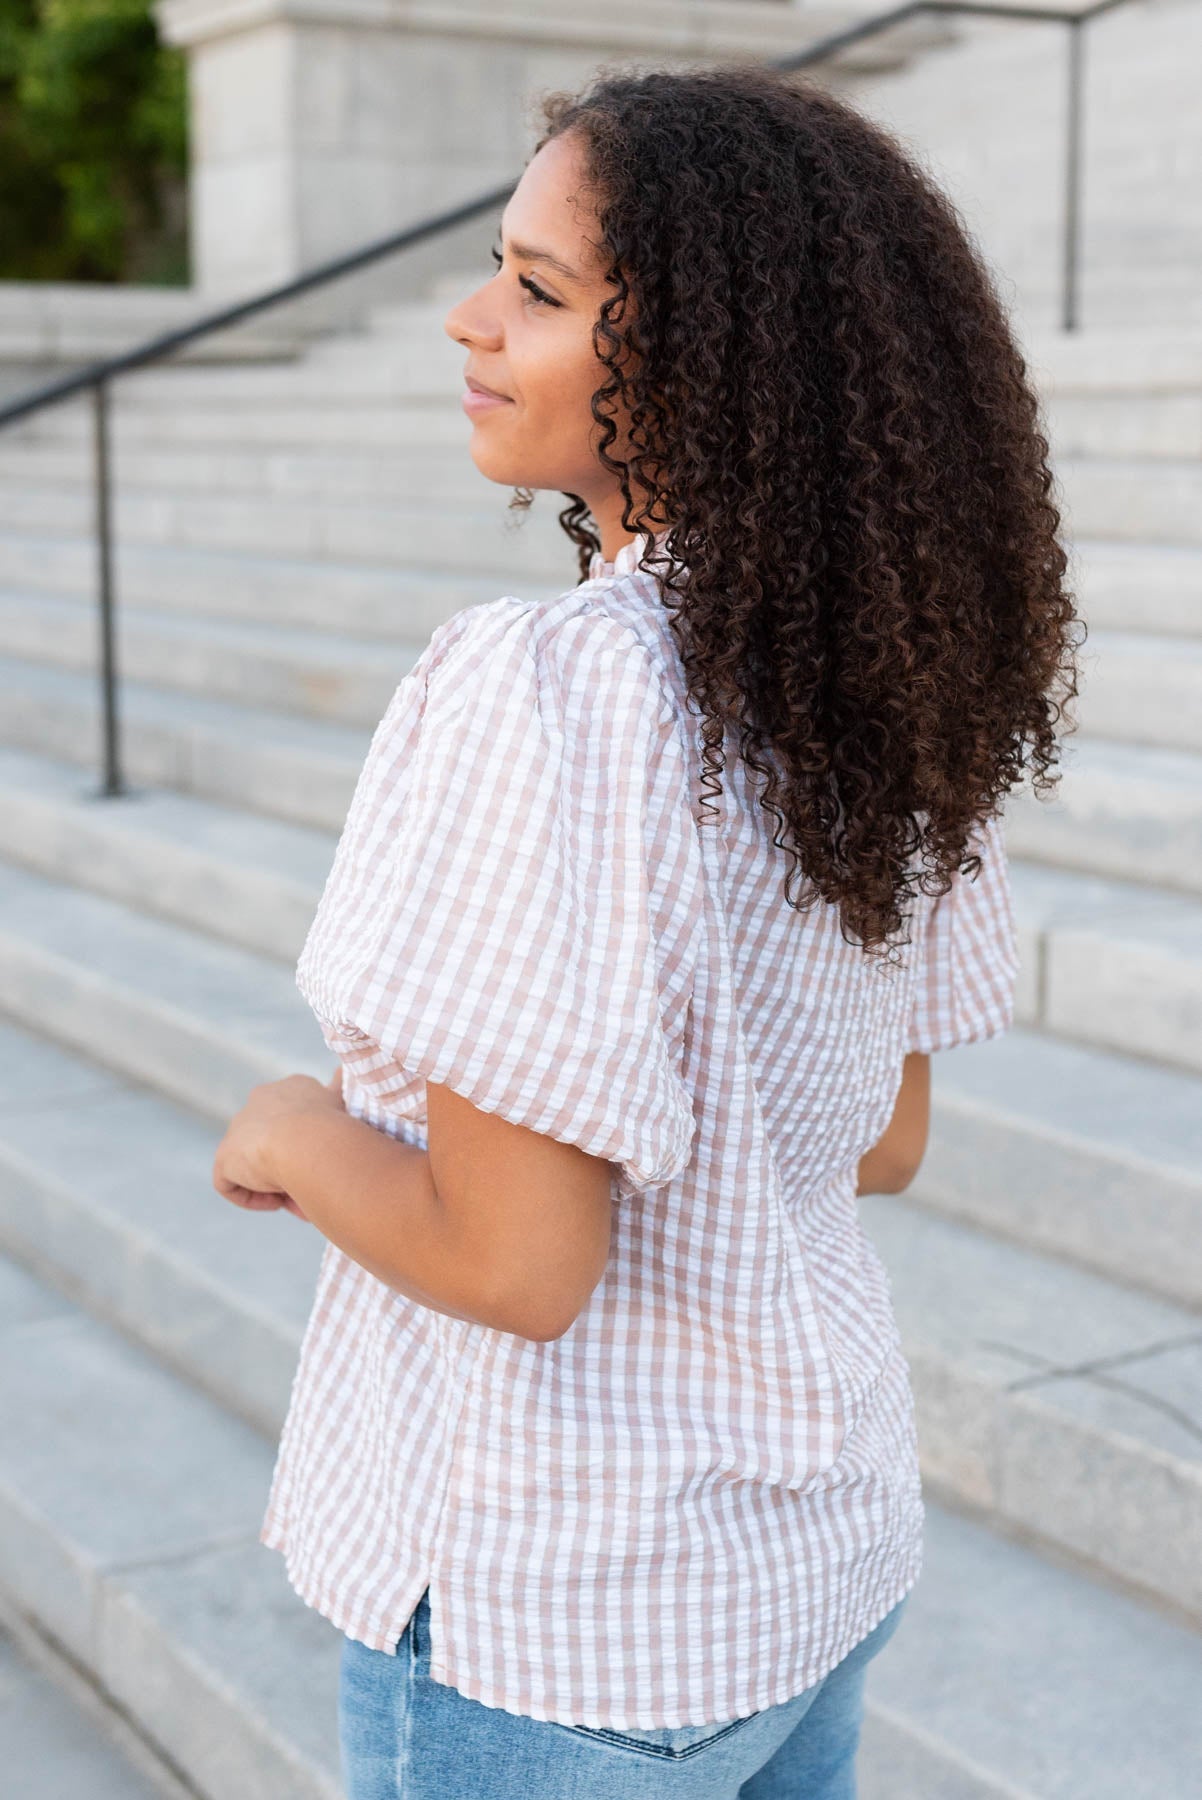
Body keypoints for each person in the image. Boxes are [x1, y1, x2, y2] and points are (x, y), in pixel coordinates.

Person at [212, 62, 1082, 1799]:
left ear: (715, 361)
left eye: (537, 292)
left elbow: (514, 1265)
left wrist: (297, 1135)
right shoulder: (882, 678)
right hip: (797, 1583)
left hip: (560, 1630)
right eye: (496, 270)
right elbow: (883, 1138)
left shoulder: (549, 691)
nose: (470, 321)